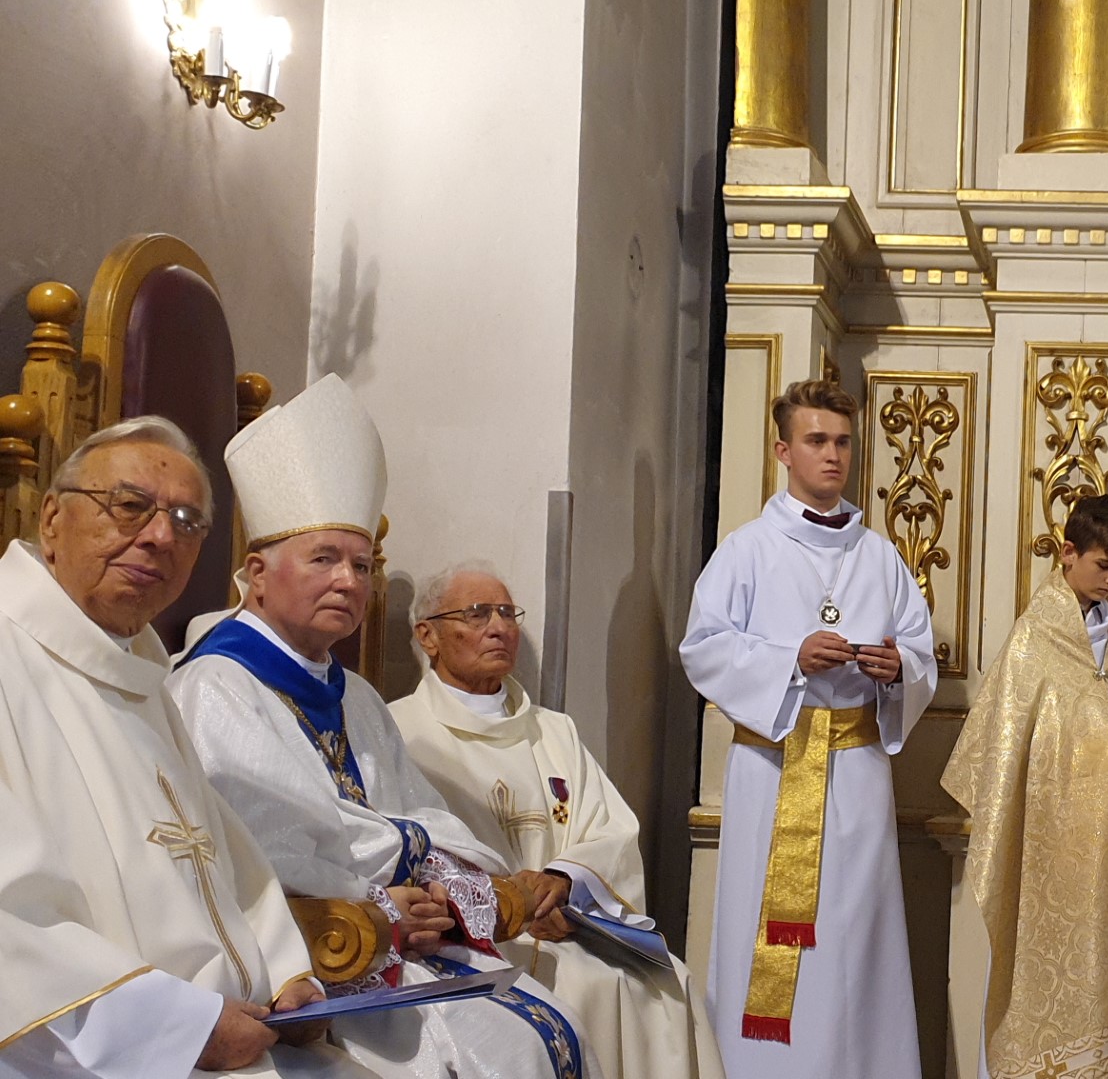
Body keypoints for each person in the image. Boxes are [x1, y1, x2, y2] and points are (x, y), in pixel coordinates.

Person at [168, 376, 603, 1079]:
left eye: (362, 564)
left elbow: (419, 818)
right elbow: (256, 859)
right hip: (301, 965)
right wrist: (387, 902)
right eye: (324, 559)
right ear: (257, 573)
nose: (349, 581)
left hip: (398, 940)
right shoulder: (215, 687)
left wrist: (437, 892)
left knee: (556, 1029)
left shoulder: (358, 697)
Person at [0, 417, 372, 1078]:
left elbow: (226, 860)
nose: (161, 536)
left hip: (232, 1039)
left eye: (187, 522)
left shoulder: (142, 675)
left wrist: (289, 975)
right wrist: (180, 1030)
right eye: (129, 505)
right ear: (52, 519)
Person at [680, 379, 937, 1079]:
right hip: (773, 767)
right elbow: (703, 648)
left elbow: (919, 650)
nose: (833, 455)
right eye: (817, 440)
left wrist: (897, 669)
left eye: (843, 442)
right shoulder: (747, 549)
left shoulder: (879, 555)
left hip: (856, 772)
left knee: (857, 934)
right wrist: (789, 658)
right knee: (769, 931)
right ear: (783, 451)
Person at [390, 563, 725, 1079]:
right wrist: (510, 905)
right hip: (474, 939)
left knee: (665, 983)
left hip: (568, 927)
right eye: (477, 614)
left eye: (507, 613)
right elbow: (402, 849)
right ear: (427, 635)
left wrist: (565, 884)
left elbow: (610, 830)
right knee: (588, 987)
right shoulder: (400, 730)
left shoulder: (554, 730)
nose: (499, 628)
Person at [943, 495, 1108, 1079]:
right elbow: (1014, 755)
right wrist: (1107, 748)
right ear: (1068, 553)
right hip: (1053, 849)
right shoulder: (1034, 638)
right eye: (1103, 565)